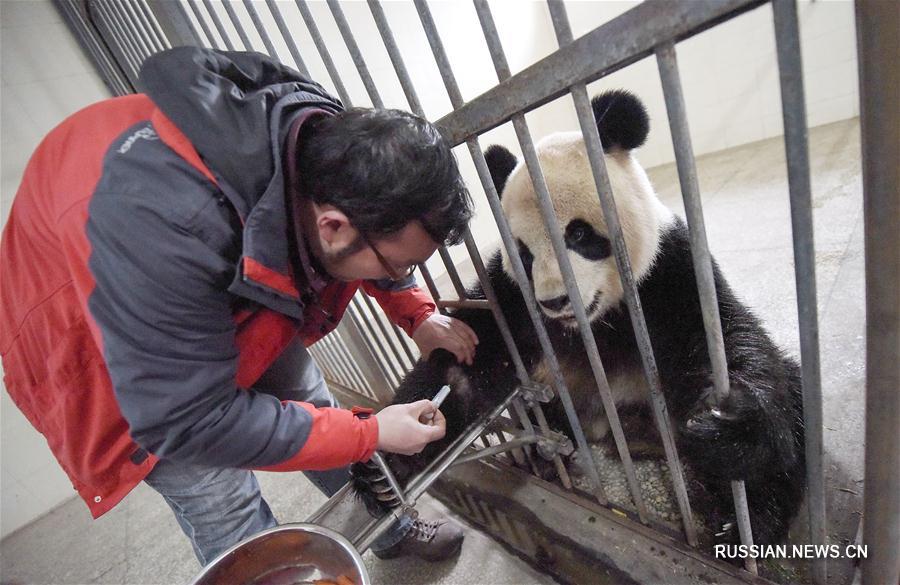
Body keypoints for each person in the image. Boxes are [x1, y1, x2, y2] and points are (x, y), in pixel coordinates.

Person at [0, 47, 480, 565]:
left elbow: (382, 232)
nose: (393, 278)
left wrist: (418, 313)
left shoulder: (318, 138)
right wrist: (371, 432)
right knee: (225, 502)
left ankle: (392, 528)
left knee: (316, 411)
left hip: (217, 280)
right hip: (113, 353)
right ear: (333, 227)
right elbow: (189, 419)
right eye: (391, 269)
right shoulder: (162, 230)